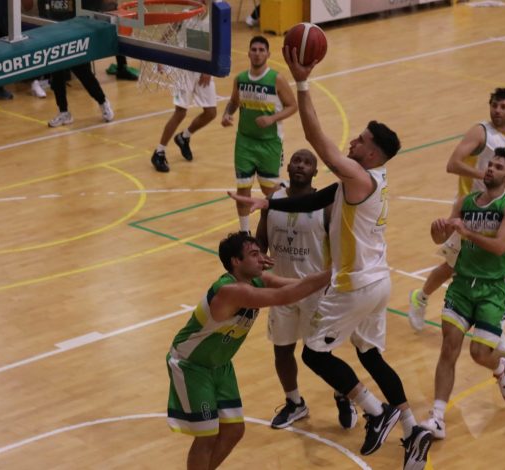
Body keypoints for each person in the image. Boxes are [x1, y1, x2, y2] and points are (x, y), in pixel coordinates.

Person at [228, 46, 433, 469]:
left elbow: (318, 140)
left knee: (314, 354)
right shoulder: (370, 178)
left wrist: (302, 83)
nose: (353, 141)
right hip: (378, 281)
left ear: (372, 154)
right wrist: (265, 206)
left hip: (354, 283)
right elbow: (316, 198)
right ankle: (413, 430)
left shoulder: (357, 175)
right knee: (370, 355)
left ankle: (377, 413)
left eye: (361, 140)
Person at [167, 231, 331, 470]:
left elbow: (295, 285)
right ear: (236, 261)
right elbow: (285, 296)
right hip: (191, 365)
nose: (261, 258)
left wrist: (329, 281)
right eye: (254, 254)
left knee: (234, 430)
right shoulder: (229, 291)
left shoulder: (256, 280)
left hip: (220, 365)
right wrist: (337, 271)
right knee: (206, 436)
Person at [407, 88, 505, 356]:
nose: (497, 110)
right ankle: (420, 297)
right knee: (453, 264)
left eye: (503, 107)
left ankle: (497, 328)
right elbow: (453, 163)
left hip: (500, 210)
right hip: (472, 209)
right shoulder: (481, 132)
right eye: (494, 105)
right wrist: (483, 173)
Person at [419, 147, 505, 440]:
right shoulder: (464, 202)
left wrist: (468, 233)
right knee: (449, 347)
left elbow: (501, 246)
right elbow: (444, 238)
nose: (490, 169)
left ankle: (500, 368)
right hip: (463, 284)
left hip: (493, 288)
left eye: (498, 167)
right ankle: (437, 416)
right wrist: (437, 228)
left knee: (479, 354)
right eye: (490, 164)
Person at [254, 148, 347, 429]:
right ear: (289, 166)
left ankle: (344, 392)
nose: (301, 166)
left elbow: (341, 250)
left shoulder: (325, 206)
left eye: (308, 163)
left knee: (320, 354)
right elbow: (260, 241)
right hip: (281, 291)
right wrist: (259, 260)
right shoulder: (274, 201)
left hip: (315, 292)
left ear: (315, 172)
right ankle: (295, 403)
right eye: (297, 160)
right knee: (282, 351)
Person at [221, 35, 297, 234]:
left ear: (268, 54)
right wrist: (227, 114)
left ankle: (280, 225)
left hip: (270, 143)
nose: (257, 53)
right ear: (248, 53)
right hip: (244, 142)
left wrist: (272, 119)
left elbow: (293, 106)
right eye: (254, 50)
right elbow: (233, 102)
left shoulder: (277, 79)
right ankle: (245, 232)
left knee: (268, 192)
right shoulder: (240, 79)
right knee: (243, 190)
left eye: (261, 50)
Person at [33, 0, 113, 127]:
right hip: (55, 34)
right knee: (57, 76)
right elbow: (43, 12)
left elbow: (90, 8)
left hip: (75, 34)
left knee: (84, 73)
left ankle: (103, 102)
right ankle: (64, 112)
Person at [150, 69, 217, 172]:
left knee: (211, 113)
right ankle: (159, 152)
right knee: (180, 112)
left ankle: (184, 137)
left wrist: (208, 69)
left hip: (204, 68)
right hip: (185, 70)